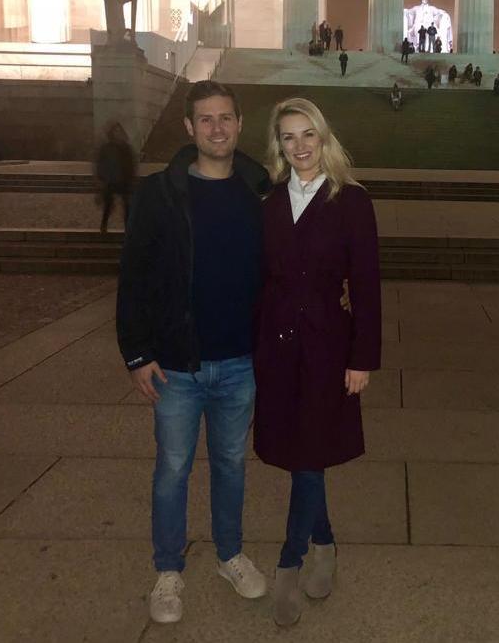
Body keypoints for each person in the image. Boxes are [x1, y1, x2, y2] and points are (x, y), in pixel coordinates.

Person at [116, 80, 270, 624]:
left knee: (231, 465)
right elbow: (133, 275)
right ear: (189, 127)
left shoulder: (259, 190)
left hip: (240, 361)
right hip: (177, 364)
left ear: (240, 124)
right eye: (206, 119)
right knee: (173, 469)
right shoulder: (159, 192)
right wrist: (136, 353)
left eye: (225, 118)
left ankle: (230, 555)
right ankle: (168, 570)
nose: (217, 128)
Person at [254, 97, 382, 627]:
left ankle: (290, 563)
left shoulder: (351, 200)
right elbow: (260, 280)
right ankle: (325, 542)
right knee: (302, 453)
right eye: (289, 136)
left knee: (308, 454)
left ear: (323, 138)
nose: (300, 145)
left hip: (329, 346)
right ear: (278, 145)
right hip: (278, 347)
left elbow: (367, 285)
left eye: (308, 134)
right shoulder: (269, 202)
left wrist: (362, 357)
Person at [94, 121, 135, 233]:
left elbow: (130, 164)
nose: (117, 133)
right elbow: (100, 163)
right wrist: (101, 178)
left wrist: (131, 178)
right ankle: (104, 225)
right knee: (108, 204)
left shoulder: (126, 148)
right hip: (110, 180)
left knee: (127, 206)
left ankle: (128, 227)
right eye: (115, 131)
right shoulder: (106, 148)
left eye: (119, 131)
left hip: (123, 180)